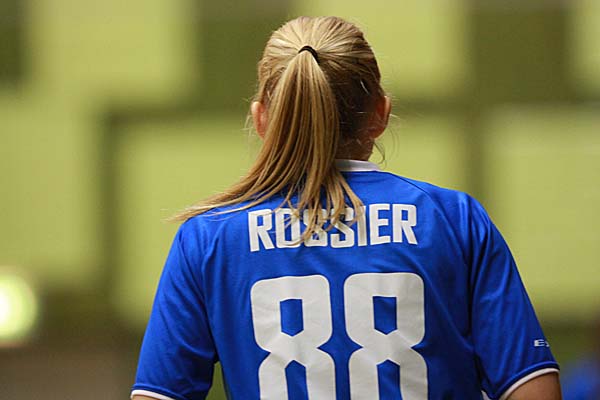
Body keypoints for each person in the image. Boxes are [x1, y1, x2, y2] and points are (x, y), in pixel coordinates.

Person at [131, 16, 561, 400]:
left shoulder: (209, 239)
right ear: (380, 114)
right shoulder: (453, 219)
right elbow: (532, 388)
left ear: (262, 119)